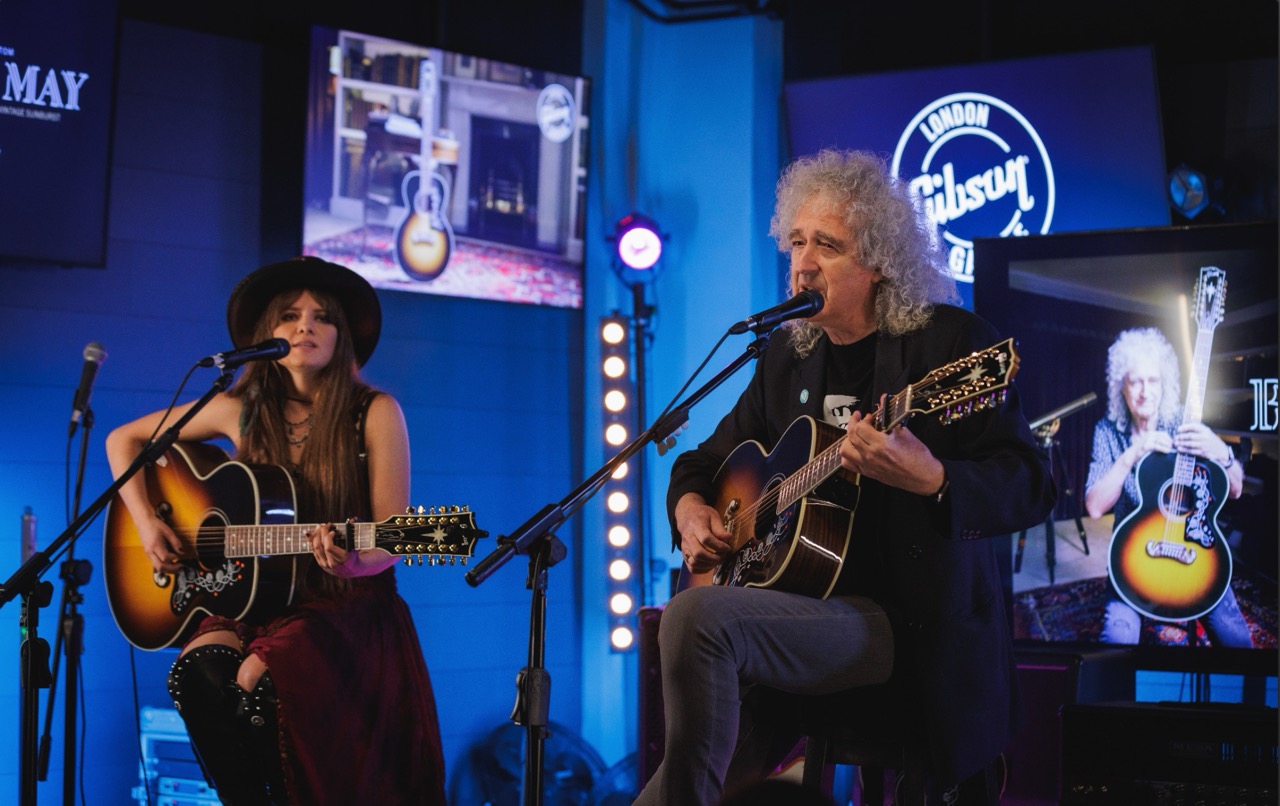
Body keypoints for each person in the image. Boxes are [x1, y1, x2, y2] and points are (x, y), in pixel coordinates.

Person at [633, 149, 1056, 806]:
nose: (803, 261)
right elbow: (703, 463)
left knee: (695, 616)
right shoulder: (788, 354)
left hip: (906, 621)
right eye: (796, 241)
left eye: (826, 245)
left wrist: (933, 478)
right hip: (803, 606)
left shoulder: (951, 348)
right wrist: (691, 508)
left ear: (879, 261)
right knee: (690, 658)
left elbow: (1031, 483)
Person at [105, 257, 447, 804]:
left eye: (322, 317)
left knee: (261, 677)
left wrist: (351, 559)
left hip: (344, 599)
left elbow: (392, 537)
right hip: (251, 594)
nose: (305, 326)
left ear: (343, 338)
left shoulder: (375, 411)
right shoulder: (237, 409)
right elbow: (123, 441)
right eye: (289, 316)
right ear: (268, 333)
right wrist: (148, 524)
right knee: (198, 671)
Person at [1084, 326, 1251, 647]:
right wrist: (1133, 453)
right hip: (1133, 557)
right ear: (1122, 387)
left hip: (1196, 550)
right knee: (1116, 643)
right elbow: (1094, 507)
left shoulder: (1183, 425)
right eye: (1136, 381)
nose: (1145, 391)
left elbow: (1236, 489)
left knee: (1238, 643)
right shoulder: (1106, 431)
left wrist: (1223, 453)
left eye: (1153, 380)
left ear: (1164, 385)